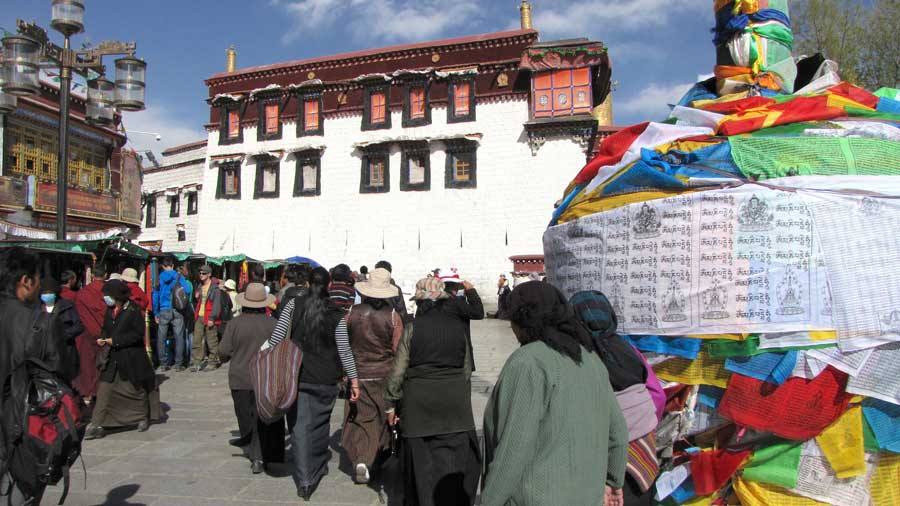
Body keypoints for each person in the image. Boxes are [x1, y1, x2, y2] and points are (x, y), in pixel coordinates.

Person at [480, 281, 629, 506]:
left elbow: (513, 449)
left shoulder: (528, 362)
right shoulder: (590, 359)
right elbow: (618, 432)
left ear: (522, 320)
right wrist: (613, 481)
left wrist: (489, 501)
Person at [263, 267, 359, 501]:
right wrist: (354, 379)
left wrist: (260, 355)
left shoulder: (293, 306)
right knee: (320, 424)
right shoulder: (337, 313)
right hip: (327, 378)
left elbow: (276, 337)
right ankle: (315, 467)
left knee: (300, 427)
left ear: (306, 284)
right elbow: (344, 350)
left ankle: (305, 478)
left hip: (298, 375)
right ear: (328, 285)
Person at [385, 277, 480, 506]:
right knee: (453, 460)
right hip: (455, 406)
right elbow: (466, 369)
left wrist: (391, 403)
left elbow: (398, 371)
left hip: (418, 405)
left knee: (421, 465)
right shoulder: (458, 328)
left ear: (419, 302)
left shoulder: (412, 328)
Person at [570, 291, 662, 506]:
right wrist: (643, 424)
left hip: (599, 451)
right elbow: (657, 395)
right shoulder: (628, 349)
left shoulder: (576, 355)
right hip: (640, 446)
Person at [0, 248, 64, 505]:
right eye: (37, 279)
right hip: (19, 435)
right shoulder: (41, 323)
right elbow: (61, 376)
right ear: (25, 281)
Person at [341, 267, 403, 484]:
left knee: (360, 417)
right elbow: (398, 351)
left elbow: (344, 343)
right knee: (382, 418)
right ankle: (372, 457)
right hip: (384, 375)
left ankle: (361, 459)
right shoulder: (393, 317)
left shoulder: (352, 313)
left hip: (358, 374)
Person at [219, 283, 285, 474]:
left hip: (240, 377)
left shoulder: (234, 324)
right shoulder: (273, 324)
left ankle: (255, 455)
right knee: (263, 418)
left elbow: (223, 351)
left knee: (246, 418)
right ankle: (261, 453)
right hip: (265, 378)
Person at [84, 280, 160, 440]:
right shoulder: (110, 310)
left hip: (131, 357)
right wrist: (103, 338)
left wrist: (116, 340)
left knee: (136, 389)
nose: (106, 299)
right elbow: (105, 328)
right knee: (104, 389)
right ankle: (97, 423)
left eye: (108, 296)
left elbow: (137, 334)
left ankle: (142, 417)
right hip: (112, 357)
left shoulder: (133, 310)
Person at [437, 268, 484, 372]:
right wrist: (471, 291)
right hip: (458, 349)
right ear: (455, 286)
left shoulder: (433, 301)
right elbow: (478, 313)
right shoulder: (455, 302)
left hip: (438, 350)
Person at [73, 265, 108, 401]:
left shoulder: (82, 293)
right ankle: (102, 392)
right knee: (103, 366)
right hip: (106, 333)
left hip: (87, 333)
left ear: (93, 276)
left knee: (88, 365)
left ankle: (88, 392)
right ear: (105, 275)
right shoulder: (107, 292)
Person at [39, 277, 83, 381]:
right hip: (43, 353)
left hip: (64, 352)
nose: (47, 295)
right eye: (44, 293)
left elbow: (79, 326)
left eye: (49, 292)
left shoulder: (67, 306)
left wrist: (63, 335)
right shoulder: (36, 308)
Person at [153, 258, 192, 372]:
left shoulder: (159, 278)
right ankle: (178, 364)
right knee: (179, 337)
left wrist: (156, 312)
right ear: (173, 265)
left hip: (163, 310)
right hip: (177, 310)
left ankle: (163, 364)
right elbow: (188, 290)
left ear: (163, 266)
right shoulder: (179, 276)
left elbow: (155, 295)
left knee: (161, 337)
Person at [191, 264, 224, 372]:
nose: (201, 275)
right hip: (199, 316)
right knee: (196, 340)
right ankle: (197, 362)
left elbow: (217, 305)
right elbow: (200, 302)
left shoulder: (215, 288)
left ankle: (212, 362)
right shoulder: (200, 286)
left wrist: (212, 318)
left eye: (203, 273)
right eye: (200, 273)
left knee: (211, 341)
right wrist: (196, 296)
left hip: (209, 317)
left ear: (209, 274)